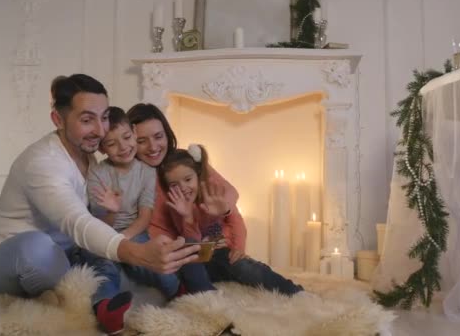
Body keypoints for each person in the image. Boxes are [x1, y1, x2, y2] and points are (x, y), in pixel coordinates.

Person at [0, 75, 199, 335]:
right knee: (38, 250)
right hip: (10, 259)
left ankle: (90, 299)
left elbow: (101, 221)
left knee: (119, 274)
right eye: (87, 119)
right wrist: (135, 252)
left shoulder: (93, 160)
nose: (101, 131)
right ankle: (69, 298)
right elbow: (77, 221)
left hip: (71, 254)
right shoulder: (43, 162)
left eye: (104, 117)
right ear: (58, 119)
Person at [157, 144, 304, 295]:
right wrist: (187, 218)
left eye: (188, 179)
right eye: (175, 185)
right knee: (188, 264)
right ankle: (209, 297)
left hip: (221, 253)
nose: (183, 188)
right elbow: (192, 246)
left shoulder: (214, 195)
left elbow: (236, 221)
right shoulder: (177, 207)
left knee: (245, 267)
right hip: (199, 261)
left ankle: (294, 291)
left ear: (197, 175)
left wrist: (238, 249)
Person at [126, 103, 247, 264]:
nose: (153, 147)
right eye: (142, 141)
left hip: (215, 245)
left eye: (158, 136)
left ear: (167, 135)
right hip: (175, 256)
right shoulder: (133, 176)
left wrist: (222, 229)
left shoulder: (184, 163)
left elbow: (230, 194)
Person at [87, 106, 179, 299]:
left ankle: (179, 293)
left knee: (163, 272)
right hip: (104, 233)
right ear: (102, 148)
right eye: (112, 143)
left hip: (135, 232)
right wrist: (112, 212)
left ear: (134, 133)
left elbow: (145, 217)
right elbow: (97, 225)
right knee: (104, 269)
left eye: (127, 138)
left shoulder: (146, 171)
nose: (123, 147)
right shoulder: (97, 173)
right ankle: (105, 307)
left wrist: (124, 241)